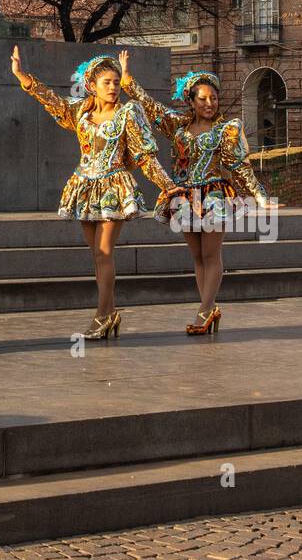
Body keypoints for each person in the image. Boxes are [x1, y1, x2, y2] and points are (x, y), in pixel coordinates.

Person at [11, 46, 180, 340]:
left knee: (104, 252)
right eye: (107, 82)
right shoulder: (81, 111)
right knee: (97, 255)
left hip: (114, 186)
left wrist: (167, 184)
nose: (113, 88)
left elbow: (145, 157)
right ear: (91, 86)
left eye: (116, 82)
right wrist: (22, 76)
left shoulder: (129, 112)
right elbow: (53, 102)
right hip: (85, 185)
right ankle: (110, 313)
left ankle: (102, 315)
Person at [118, 52, 271, 335]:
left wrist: (259, 195)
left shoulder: (228, 129)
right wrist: (127, 80)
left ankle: (203, 311)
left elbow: (239, 165)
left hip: (214, 197)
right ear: (190, 101)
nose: (209, 103)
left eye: (213, 98)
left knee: (211, 254)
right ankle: (208, 308)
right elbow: (150, 108)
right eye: (202, 99)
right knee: (198, 257)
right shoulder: (178, 126)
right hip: (185, 198)